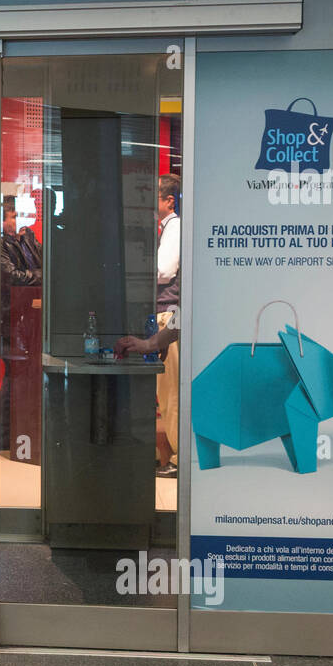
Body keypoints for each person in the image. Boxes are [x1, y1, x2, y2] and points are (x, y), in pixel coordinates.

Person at [0, 196, 42, 452]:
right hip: (10, 316)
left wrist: (30, 240)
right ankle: (4, 434)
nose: (18, 221)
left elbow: (43, 262)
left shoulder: (26, 239)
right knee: (13, 375)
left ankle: (22, 427)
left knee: (25, 375)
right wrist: (38, 276)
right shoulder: (0, 244)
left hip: (31, 317)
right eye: (13, 216)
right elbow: (13, 277)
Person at [155, 173, 182, 479]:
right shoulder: (168, 229)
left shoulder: (174, 228)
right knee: (167, 388)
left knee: (170, 389)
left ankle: (177, 457)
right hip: (169, 312)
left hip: (169, 313)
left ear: (169, 201)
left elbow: (163, 270)